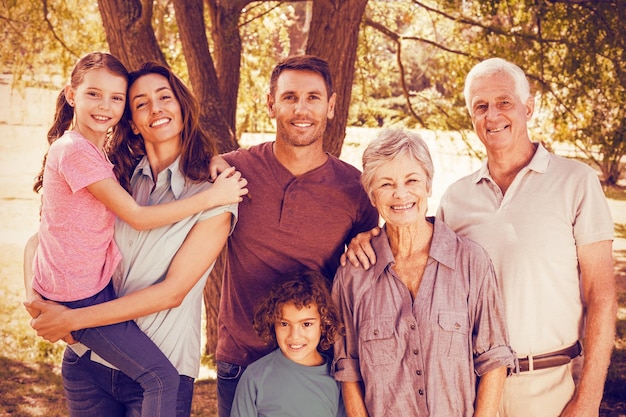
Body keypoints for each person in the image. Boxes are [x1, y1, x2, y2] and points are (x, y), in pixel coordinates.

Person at [344, 58, 617, 417]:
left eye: (504, 102)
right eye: (481, 106)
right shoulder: (456, 198)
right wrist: (368, 240)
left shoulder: (575, 182)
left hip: (547, 387)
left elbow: (602, 295)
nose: (493, 115)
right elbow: (413, 238)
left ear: (528, 108)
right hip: (468, 389)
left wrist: (587, 399)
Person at [24, 52, 245, 417]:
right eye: (141, 103)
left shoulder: (215, 194)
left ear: (182, 108)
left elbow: (172, 293)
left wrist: (71, 320)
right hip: (87, 362)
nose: (155, 108)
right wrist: (39, 304)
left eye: (164, 97)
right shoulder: (117, 177)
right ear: (134, 122)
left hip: (160, 369)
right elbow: (44, 239)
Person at [211, 55, 379, 417]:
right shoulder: (235, 170)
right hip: (241, 359)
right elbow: (182, 166)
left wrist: (368, 239)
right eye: (289, 97)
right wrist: (206, 161)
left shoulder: (354, 189)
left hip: (315, 367)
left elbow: (371, 267)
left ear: (331, 106)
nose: (301, 109)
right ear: (271, 104)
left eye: (313, 98)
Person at [332, 128, 514, 417]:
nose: (401, 193)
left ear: (429, 185)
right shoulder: (353, 276)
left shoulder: (470, 261)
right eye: (386, 184)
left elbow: (494, 359)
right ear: (371, 194)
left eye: (412, 180)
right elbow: (348, 368)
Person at [231, 268, 346, 417]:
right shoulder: (255, 376)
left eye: (306, 324)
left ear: (324, 324)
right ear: (273, 323)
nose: (295, 336)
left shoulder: (336, 379)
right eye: (284, 324)